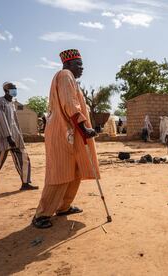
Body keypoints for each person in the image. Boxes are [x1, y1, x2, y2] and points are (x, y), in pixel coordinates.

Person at [32, 49, 99, 229]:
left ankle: (63, 207)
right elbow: (70, 104)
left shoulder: (71, 79)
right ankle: (42, 214)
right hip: (61, 133)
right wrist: (84, 128)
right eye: (78, 64)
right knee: (60, 173)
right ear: (68, 64)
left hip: (72, 133)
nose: (82, 68)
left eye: (82, 64)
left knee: (75, 170)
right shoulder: (65, 75)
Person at [0, 82, 37, 194]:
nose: (14, 89)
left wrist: (18, 135)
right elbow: (1, 120)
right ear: (5, 90)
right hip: (2, 138)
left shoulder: (12, 104)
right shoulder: (0, 102)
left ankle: (25, 183)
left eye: (15, 88)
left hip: (15, 137)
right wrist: (8, 137)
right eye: (12, 88)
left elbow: (15, 122)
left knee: (24, 157)